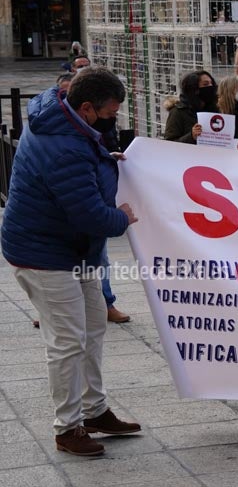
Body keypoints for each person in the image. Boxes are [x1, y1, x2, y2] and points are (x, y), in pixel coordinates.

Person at [0, 68, 142, 456]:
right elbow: (92, 216)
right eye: (110, 113)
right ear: (85, 107)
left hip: (71, 250)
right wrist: (123, 217)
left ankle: (94, 410)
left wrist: (104, 160)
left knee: (93, 326)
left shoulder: (62, 117)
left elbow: (84, 168)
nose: (114, 119)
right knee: (66, 343)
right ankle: (67, 427)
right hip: (44, 255)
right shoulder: (64, 149)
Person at [164, 70, 217, 143]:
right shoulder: (178, 112)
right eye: (205, 84)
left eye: (211, 83)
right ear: (194, 89)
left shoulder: (214, 109)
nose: (210, 87)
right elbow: (169, 143)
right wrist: (191, 136)